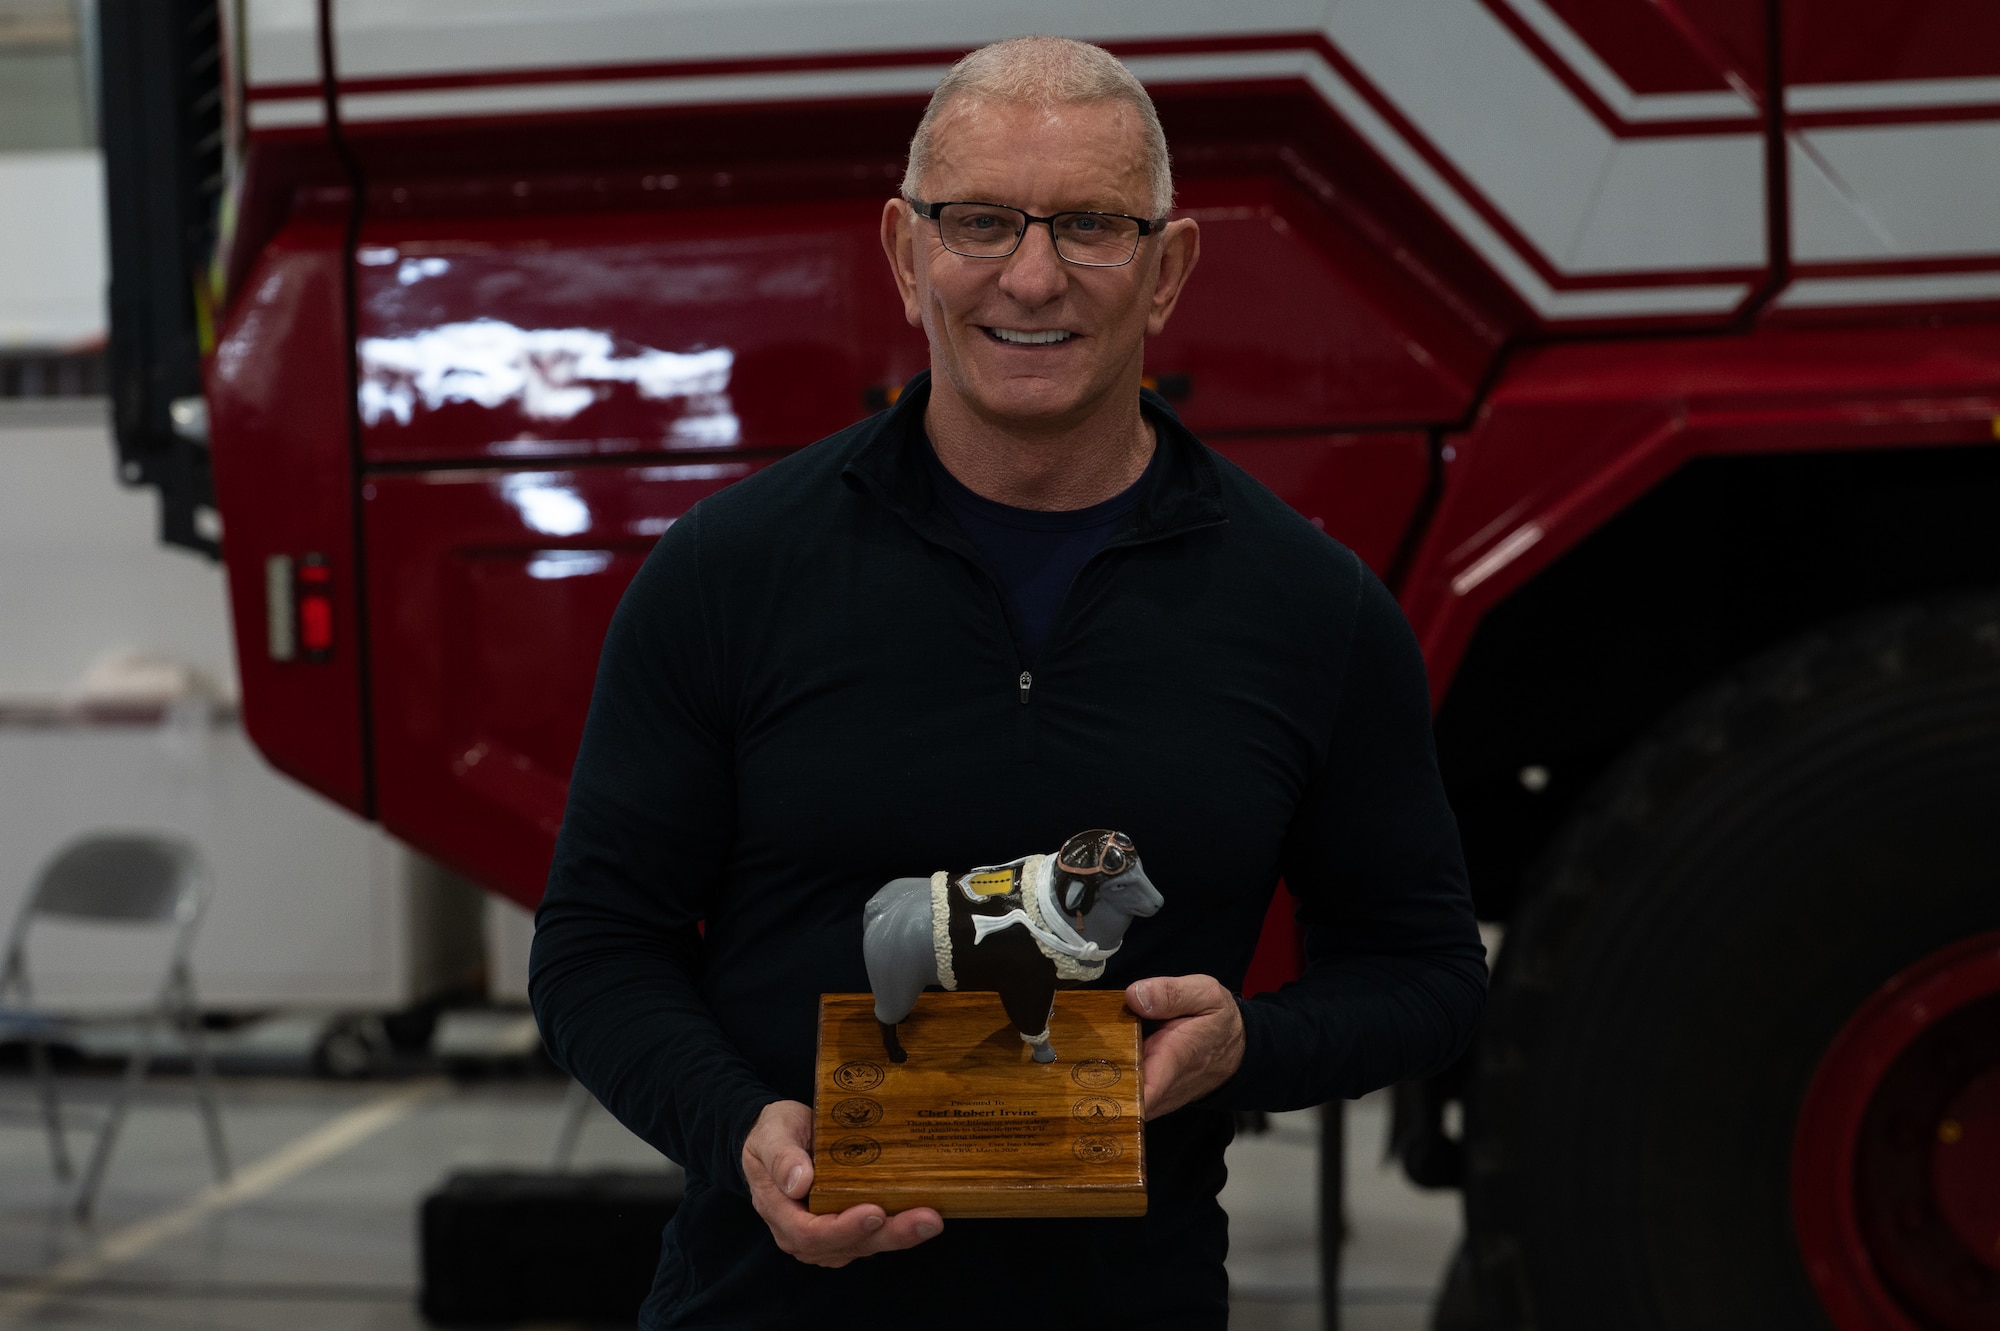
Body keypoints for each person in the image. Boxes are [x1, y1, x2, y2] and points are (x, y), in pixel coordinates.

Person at [531, 35, 1486, 1329]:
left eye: (1093, 225)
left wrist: (1248, 1047)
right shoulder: (726, 575)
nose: (1033, 277)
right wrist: (738, 1128)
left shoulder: (1313, 611)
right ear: (905, 252)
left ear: (1168, 270)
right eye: (980, 221)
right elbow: (595, 949)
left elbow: (1424, 973)